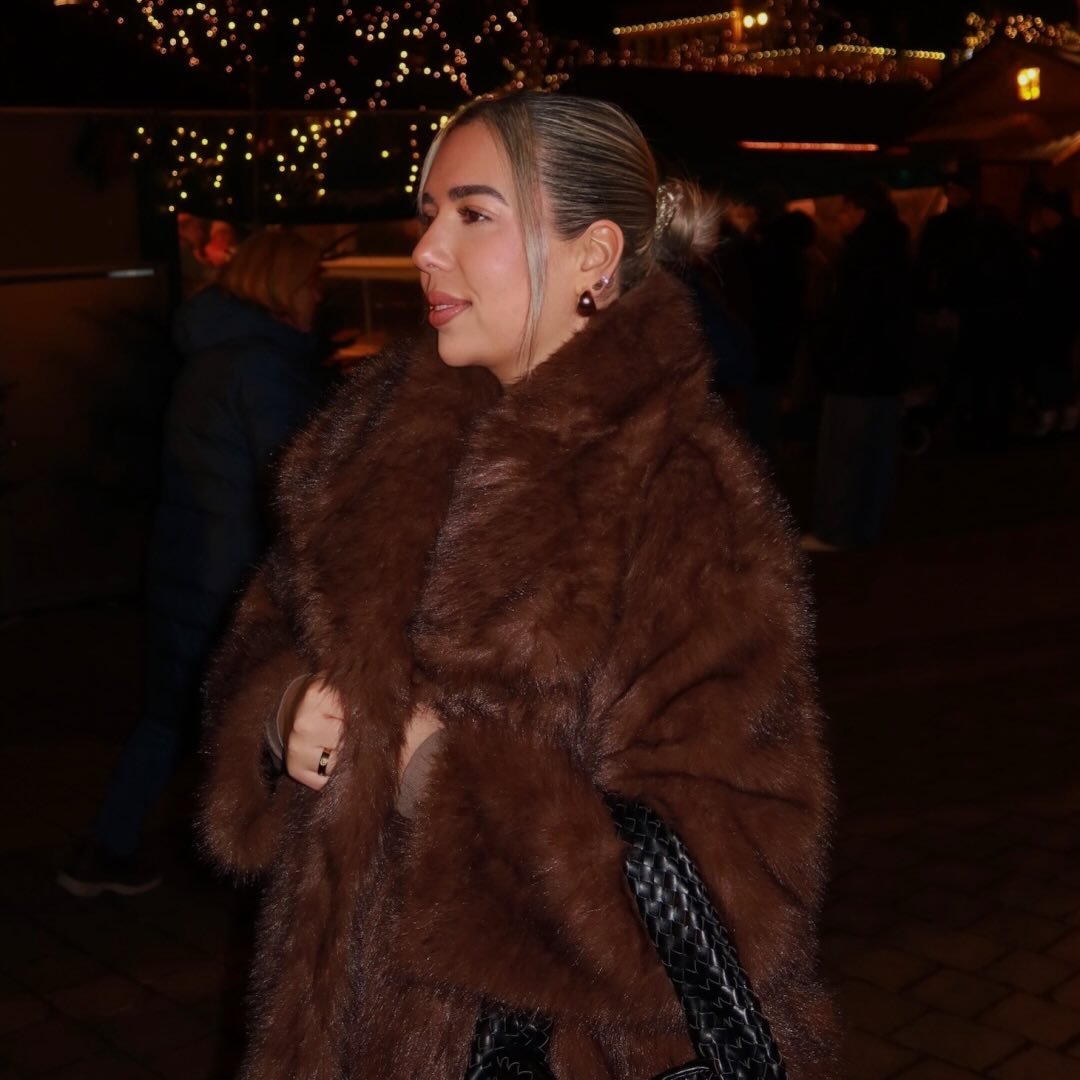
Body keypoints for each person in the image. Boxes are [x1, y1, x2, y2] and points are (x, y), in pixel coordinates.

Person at [199, 93, 838, 1078]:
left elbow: (742, 878)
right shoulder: (364, 446)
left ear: (593, 256)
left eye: (474, 214)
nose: (426, 249)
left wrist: (444, 784)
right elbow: (259, 641)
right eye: (429, 214)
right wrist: (281, 716)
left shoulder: (680, 498)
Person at [58, 228, 328, 897]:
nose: (320, 296)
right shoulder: (264, 367)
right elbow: (295, 482)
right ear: (284, 285)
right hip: (234, 577)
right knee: (252, 721)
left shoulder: (213, 356)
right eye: (313, 281)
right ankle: (274, 869)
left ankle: (106, 849)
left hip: (191, 563)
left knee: (170, 715)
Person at [803, 179, 912, 552]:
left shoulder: (858, 258)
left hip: (853, 372)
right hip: (887, 372)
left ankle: (833, 530)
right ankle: (867, 526)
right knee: (876, 455)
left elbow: (847, 319)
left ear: (861, 213)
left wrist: (828, 357)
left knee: (842, 454)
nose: (841, 218)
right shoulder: (897, 251)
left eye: (846, 211)